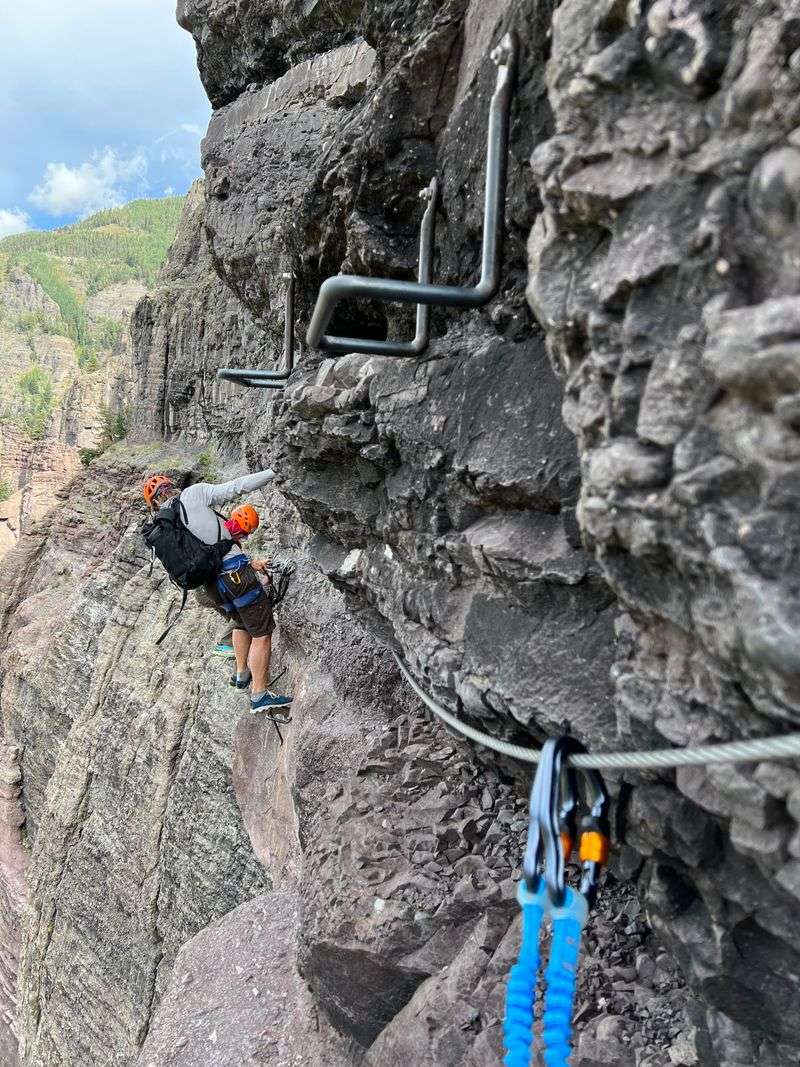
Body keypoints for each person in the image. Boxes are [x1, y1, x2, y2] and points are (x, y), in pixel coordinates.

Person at [142, 470, 292, 720]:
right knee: (262, 633)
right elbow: (237, 486)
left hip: (211, 586)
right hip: (236, 575)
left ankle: (242, 673)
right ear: (172, 486)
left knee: (241, 622)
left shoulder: (165, 524)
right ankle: (259, 694)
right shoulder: (193, 494)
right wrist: (274, 471)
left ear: (155, 502)